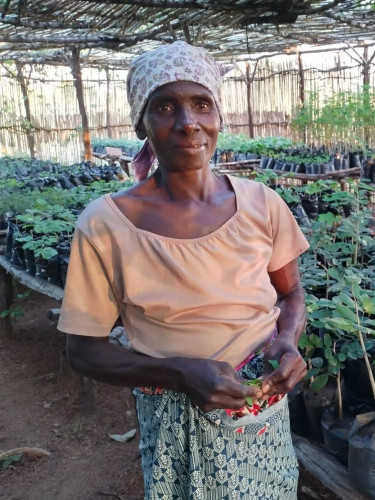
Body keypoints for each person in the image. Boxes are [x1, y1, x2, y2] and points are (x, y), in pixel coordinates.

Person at [58, 41, 309, 499]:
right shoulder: (105, 224)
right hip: (176, 417)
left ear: (218, 117)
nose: (187, 122)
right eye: (165, 106)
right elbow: (83, 351)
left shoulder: (261, 204)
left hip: (261, 412)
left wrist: (287, 342)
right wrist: (178, 374)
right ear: (143, 123)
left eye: (201, 104)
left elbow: (291, 296)